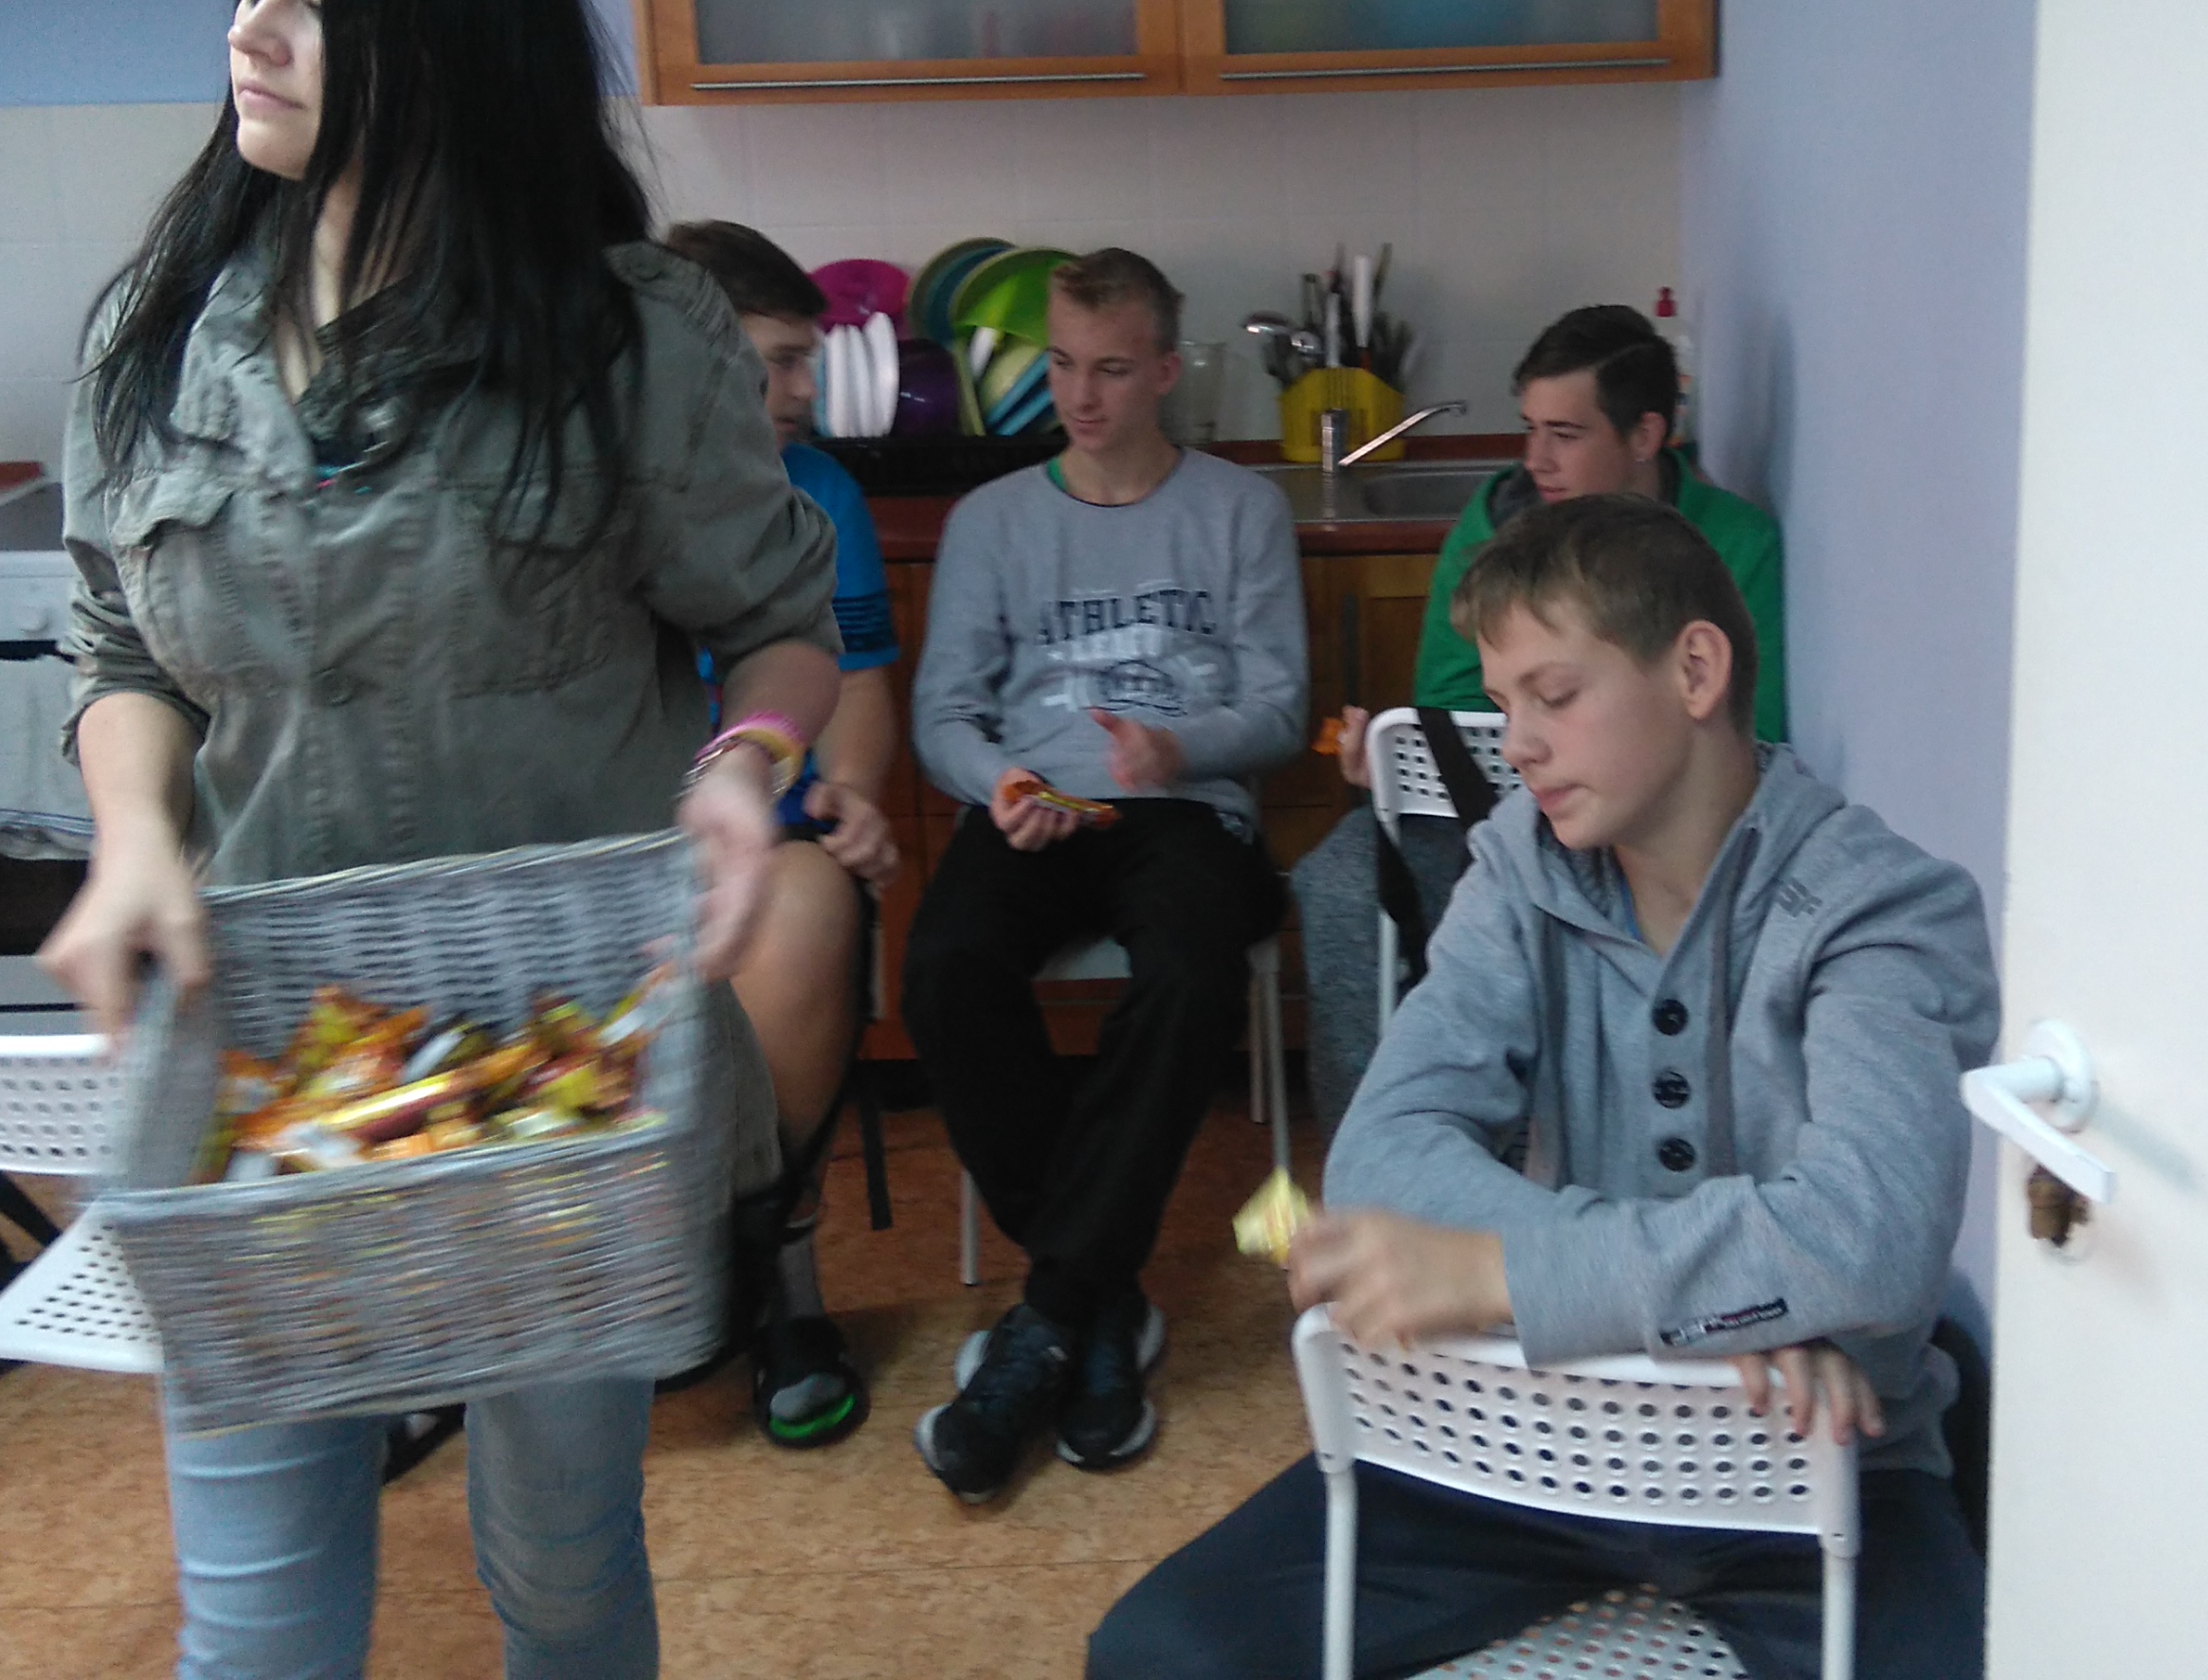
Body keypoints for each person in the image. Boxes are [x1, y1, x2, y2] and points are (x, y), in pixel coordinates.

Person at [41, 0, 842, 1680]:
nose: (248, 34)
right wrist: (134, 830)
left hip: (550, 1052)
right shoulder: (158, 335)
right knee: (256, 1619)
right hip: (267, 1045)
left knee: (559, 1570)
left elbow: (780, 623)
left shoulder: (629, 338)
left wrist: (741, 766)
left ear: (455, 34)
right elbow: (115, 642)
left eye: (313, 1)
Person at [1088, 495, 1999, 1680]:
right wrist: (1739, 1302)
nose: (1513, 742)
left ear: (1694, 669)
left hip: (1816, 1451)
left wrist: (1495, 1273)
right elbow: (1378, 1156)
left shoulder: (1878, 905)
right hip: (1521, 1436)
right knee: (1156, 1652)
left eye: (1552, 694)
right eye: (1502, 699)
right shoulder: (1520, 866)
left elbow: (1867, 1239)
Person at [901, 249, 1304, 1505]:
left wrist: (1182, 747)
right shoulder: (991, 520)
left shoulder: (1238, 508)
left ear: (1167, 370)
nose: (1080, 395)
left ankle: (1050, 1319)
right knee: (946, 968)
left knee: (1188, 972)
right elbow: (943, 714)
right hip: (1032, 807)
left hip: (1183, 808)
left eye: (1112, 369)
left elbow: (1281, 705)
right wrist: (998, 782)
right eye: (1065, 366)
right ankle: (1097, 1300)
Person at [1296, 304, 1789, 1132]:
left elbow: (1755, 727)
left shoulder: (1732, 544)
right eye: (1530, 429)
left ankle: (1532, 1147)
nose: (1536, 459)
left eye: (1566, 434)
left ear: (1646, 435)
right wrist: (1393, 754)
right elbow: (1446, 699)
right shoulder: (1500, 522)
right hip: (1489, 810)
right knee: (1341, 880)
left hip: (1650, 824)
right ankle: (1383, 1142)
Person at [658, 216, 903, 1449]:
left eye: (806, 359)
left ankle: (776, 1266)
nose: (803, 390)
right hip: (623, 842)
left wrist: (852, 787)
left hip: (773, 830)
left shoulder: (824, 493)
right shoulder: (607, 485)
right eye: (779, 363)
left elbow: (855, 679)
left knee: (806, 914)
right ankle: (647, 1266)